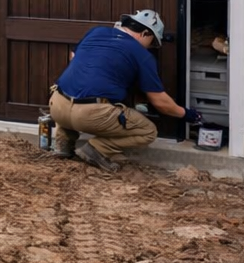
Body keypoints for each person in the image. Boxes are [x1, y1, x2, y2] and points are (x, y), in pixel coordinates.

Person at [48, 9, 202, 171]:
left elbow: (74, 57)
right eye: (152, 42)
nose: (151, 47)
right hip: (90, 115)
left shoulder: (96, 32)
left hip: (57, 106)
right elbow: (160, 102)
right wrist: (188, 115)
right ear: (144, 33)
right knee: (147, 131)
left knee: (71, 91)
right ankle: (96, 149)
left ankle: (63, 144)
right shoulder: (142, 55)